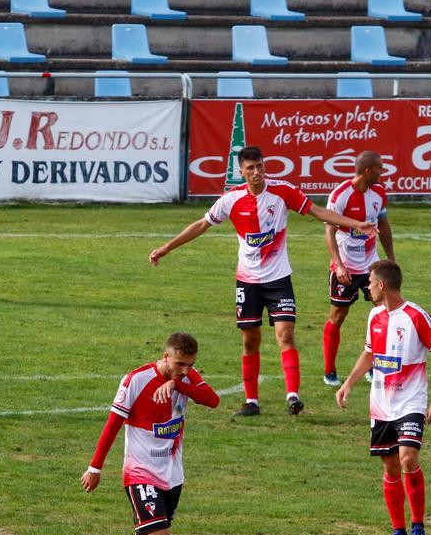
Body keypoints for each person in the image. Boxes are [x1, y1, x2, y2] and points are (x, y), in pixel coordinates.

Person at [149, 146, 376, 417]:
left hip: (279, 279)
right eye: (250, 168)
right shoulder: (230, 199)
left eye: (260, 166)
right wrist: (167, 248)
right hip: (248, 281)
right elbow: (201, 224)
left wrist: (354, 223)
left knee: (286, 335)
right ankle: (252, 401)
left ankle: (293, 397)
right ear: (242, 171)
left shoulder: (282, 191)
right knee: (250, 341)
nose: (257, 172)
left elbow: (317, 211)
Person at [81, 332, 220, 535]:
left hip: (172, 477)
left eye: (190, 365)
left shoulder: (185, 378)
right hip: (140, 475)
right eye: (180, 364)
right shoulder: (136, 380)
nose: (185, 370)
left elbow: (212, 400)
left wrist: (178, 383)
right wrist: (95, 467)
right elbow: (113, 424)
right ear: (166, 356)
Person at [335, 260, 431, 535]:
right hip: (381, 404)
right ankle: (398, 531)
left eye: (371, 283)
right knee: (389, 466)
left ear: (383, 284)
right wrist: (348, 383)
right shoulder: (374, 316)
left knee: (407, 459)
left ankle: (419, 528)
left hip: (411, 402)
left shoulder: (416, 316)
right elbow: (369, 354)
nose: (368, 288)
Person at [321, 151, 396, 387]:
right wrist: (339, 265)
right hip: (346, 267)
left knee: (384, 312)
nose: (382, 172)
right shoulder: (341, 195)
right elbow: (329, 232)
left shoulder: (379, 194)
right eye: (379, 169)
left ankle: (375, 367)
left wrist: (390, 259)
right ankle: (329, 371)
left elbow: (383, 225)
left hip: (371, 265)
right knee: (338, 315)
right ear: (367, 171)